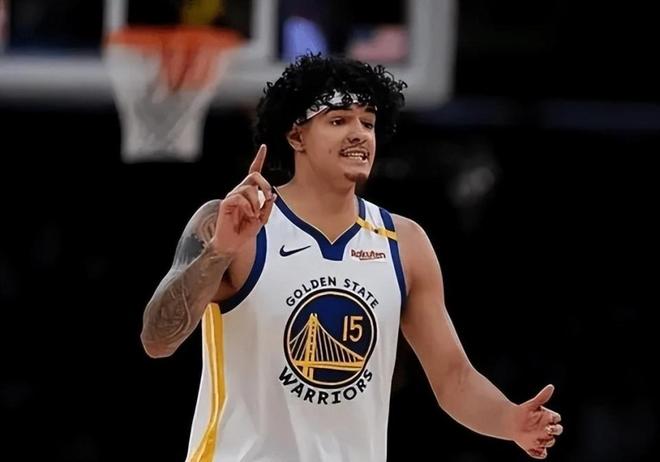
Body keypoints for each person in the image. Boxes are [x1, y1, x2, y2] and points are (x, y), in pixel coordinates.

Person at [140, 53, 563, 461]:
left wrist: (509, 420)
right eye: (338, 120)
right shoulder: (233, 222)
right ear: (296, 136)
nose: (359, 133)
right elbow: (157, 340)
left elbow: (455, 378)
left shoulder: (405, 242)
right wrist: (220, 251)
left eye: (368, 123)